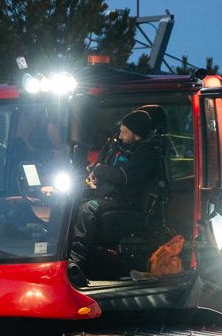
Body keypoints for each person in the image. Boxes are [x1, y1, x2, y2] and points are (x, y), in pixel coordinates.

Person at [67, 107, 161, 288]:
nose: (121, 135)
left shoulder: (145, 154)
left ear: (138, 136)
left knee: (88, 209)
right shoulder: (115, 146)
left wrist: (100, 169)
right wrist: (94, 171)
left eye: (126, 133)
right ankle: (63, 255)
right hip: (105, 197)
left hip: (125, 202)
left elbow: (123, 175)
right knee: (69, 204)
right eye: (121, 130)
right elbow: (99, 163)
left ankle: (74, 262)